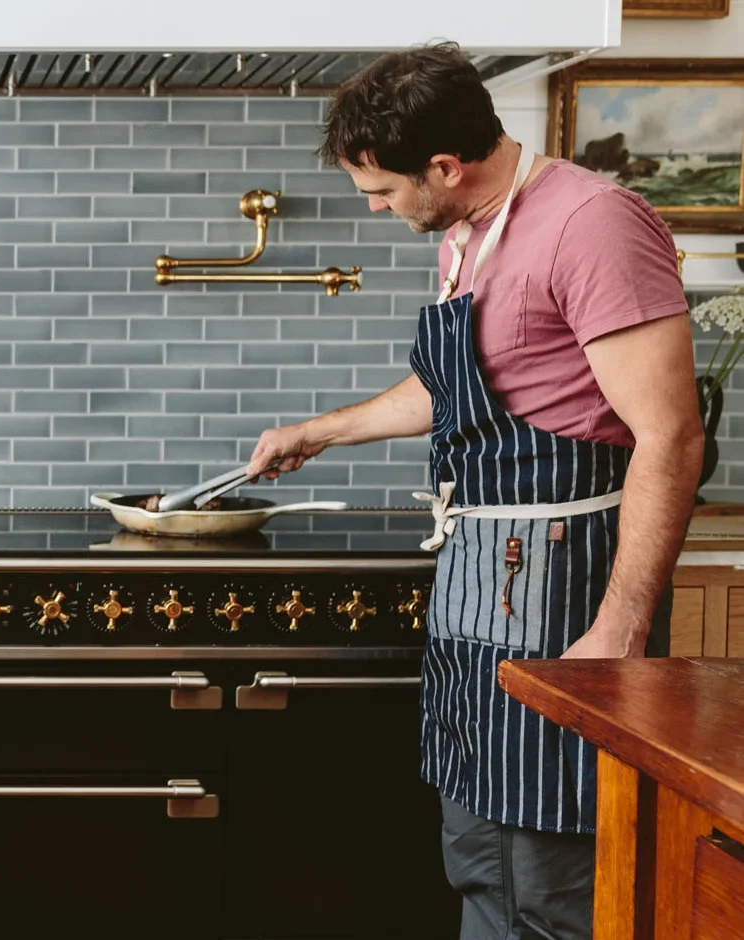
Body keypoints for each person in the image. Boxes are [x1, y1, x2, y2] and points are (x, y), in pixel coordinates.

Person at [245, 42, 700, 940]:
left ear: (446, 167)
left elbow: (672, 436)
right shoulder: (469, 232)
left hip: (566, 591)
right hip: (476, 584)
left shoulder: (592, 224)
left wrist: (615, 631)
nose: (376, 208)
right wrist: (318, 431)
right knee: (480, 856)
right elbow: (454, 388)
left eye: (381, 190)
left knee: (555, 869)